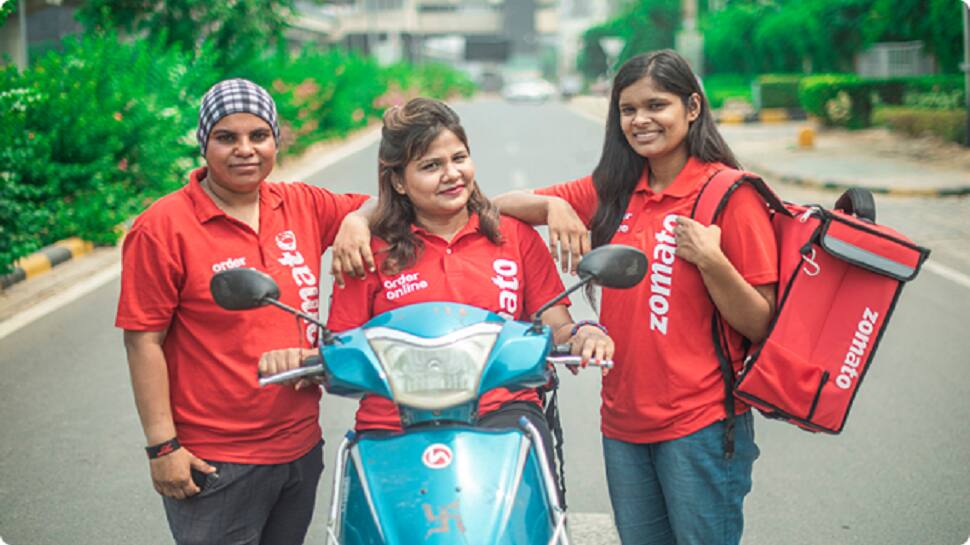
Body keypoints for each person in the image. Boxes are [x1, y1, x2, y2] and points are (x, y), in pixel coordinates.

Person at [492, 50, 778, 545]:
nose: (641, 120)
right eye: (628, 109)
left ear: (692, 107)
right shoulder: (614, 190)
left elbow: (761, 323)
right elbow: (495, 208)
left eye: (656, 105)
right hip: (623, 423)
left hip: (702, 424)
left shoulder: (731, 194)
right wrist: (555, 204)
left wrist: (711, 260)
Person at [261, 97, 614, 477]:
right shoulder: (367, 251)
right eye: (431, 166)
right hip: (392, 426)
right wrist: (302, 361)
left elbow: (557, 324)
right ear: (398, 180)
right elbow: (345, 347)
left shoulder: (513, 235)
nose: (452, 174)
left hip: (505, 421)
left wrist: (584, 332)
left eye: (459, 158)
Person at [115, 78, 374, 545]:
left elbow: (385, 208)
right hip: (215, 460)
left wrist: (355, 221)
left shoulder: (300, 204)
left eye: (258, 136)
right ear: (204, 143)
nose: (245, 150)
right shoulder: (162, 227)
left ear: (275, 139)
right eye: (226, 138)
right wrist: (162, 447)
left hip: (299, 447)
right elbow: (143, 341)